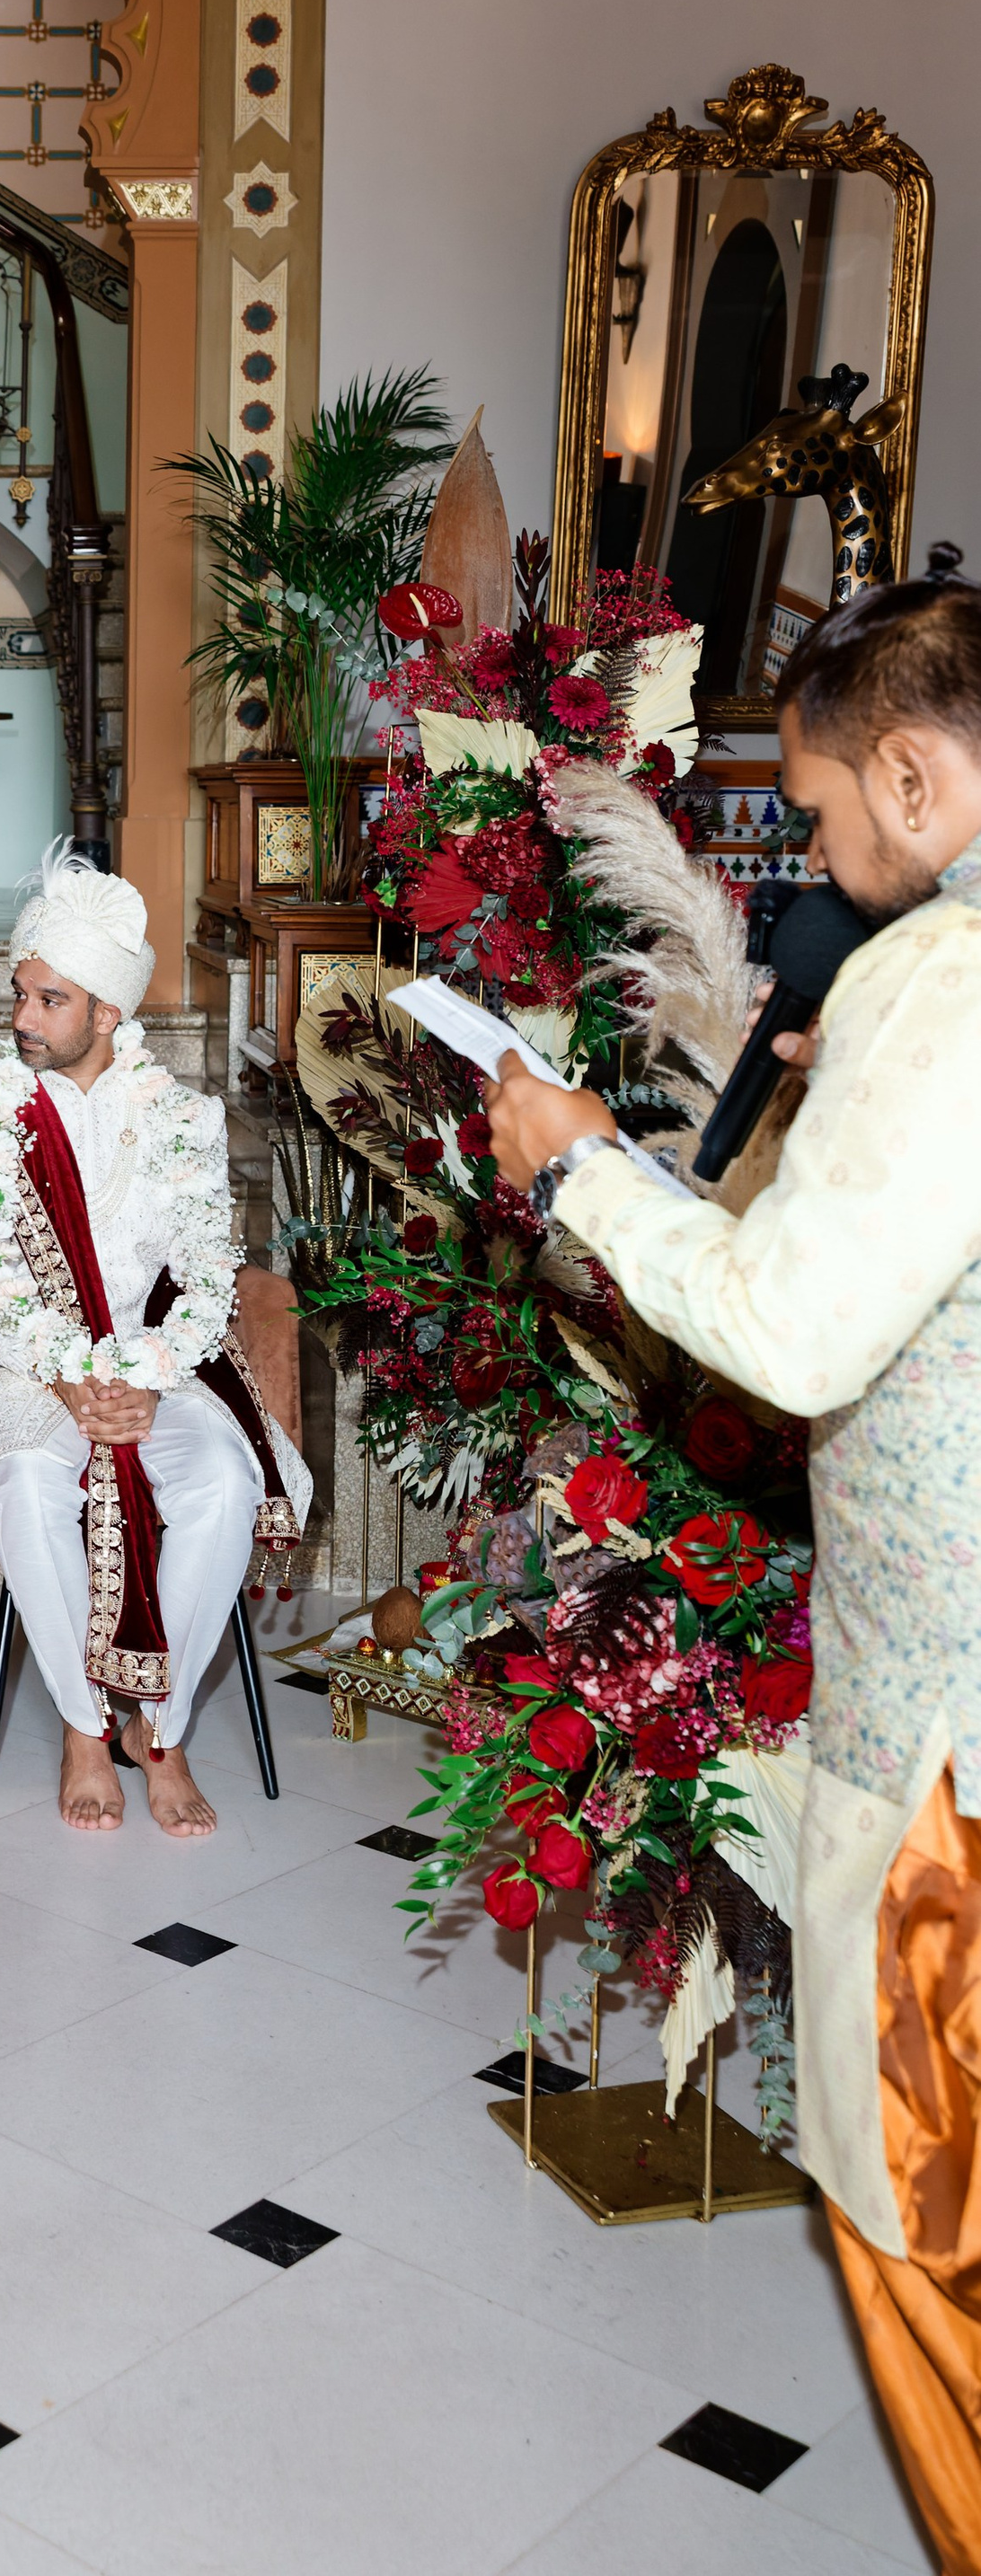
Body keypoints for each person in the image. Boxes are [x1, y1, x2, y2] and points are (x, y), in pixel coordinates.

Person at [486, 549, 981, 2570]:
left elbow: (792, 1330)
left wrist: (583, 1167)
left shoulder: (943, 985)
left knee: (931, 2231)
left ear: (919, 781)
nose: (817, 849)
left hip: (954, 1740)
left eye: (824, 804)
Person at [0, 846, 310, 1838]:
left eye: (48, 1000)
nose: (23, 1017)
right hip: (31, 1372)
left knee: (220, 1482)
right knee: (27, 1484)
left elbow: (211, 1274)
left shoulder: (183, 1119)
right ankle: (85, 1729)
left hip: (162, 1372)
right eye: (21, 994)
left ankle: (162, 1732)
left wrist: (151, 1373)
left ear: (106, 1014)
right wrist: (67, 1377)